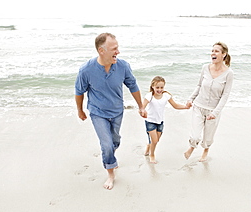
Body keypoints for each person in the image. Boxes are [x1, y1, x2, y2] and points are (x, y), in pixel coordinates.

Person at [75, 33, 147, 190]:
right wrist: (80, 111)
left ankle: (110, 157)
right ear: (102, 50)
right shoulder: (86, 70)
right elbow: (79, 92)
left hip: (117, 111)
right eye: (114, 49)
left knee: (115, 141)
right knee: (106, 144)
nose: (118, 52)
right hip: (97, 112)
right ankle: (110, 174)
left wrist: (141, 106)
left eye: (118, 48)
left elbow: (133, 86)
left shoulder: (123, 66)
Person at [184, 41, 234, 162]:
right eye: (212, 51)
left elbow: (225, 95)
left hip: (213, 111)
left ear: (224, 54)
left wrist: (215, 113)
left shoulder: (229, 73)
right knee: (195, 135)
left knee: (208, 137)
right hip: (199, 106)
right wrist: (191, 99)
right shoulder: (205, 68)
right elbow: (199, 85)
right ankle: (192, 147)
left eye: (216, 51)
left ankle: (206, 150)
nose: (213, 53)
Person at [143, 76, 190, 163]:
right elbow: (143, 107)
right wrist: (142, 111)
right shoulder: (149, 96)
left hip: (160, 122)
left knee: (155, 140)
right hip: (150, 121)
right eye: (157, 87)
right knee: (155, 140)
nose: (159, 89)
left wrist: (186, 107)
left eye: (161, 87)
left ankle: (148, 147)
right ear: (152, 86)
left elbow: (175, 106)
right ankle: (152, 155)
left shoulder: (166, 96)